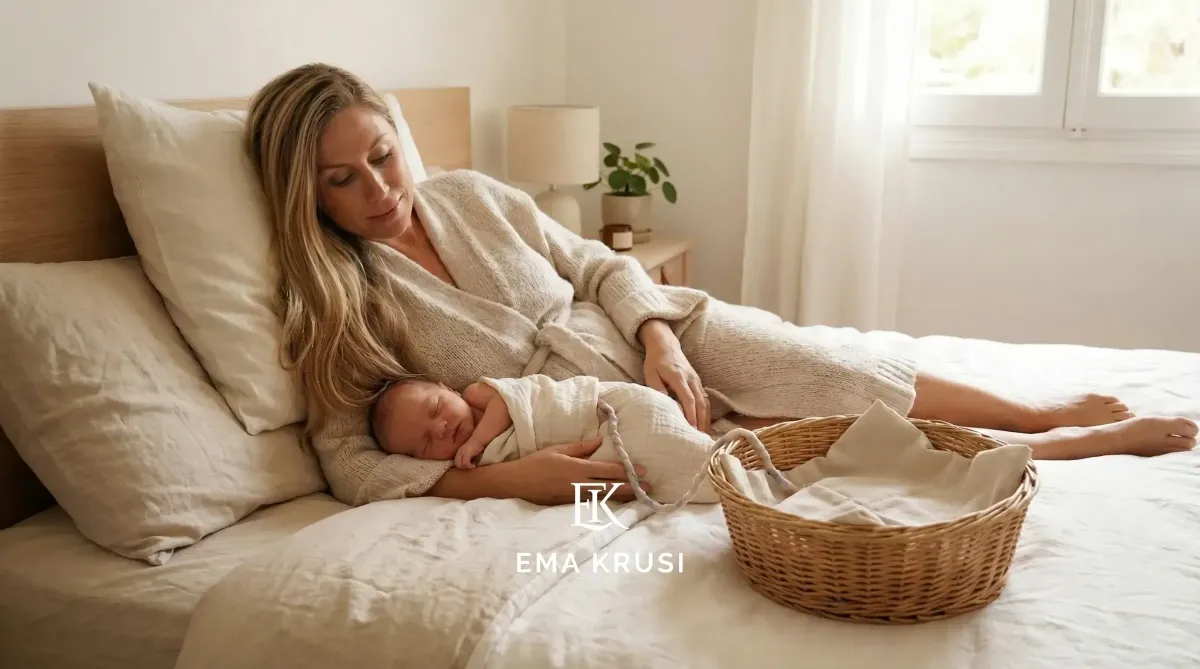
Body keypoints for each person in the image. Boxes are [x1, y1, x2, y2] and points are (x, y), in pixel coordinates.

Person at [244, 63, 1199, 508]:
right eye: (342, 179)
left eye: (381, 155)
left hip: (664, 339)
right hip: (597, 412)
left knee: (834, 369)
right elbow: (351, 461)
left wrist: (659, 334)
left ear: (398, 140)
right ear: (306, 191)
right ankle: (1070, 449)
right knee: (809, 462)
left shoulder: (475, 194)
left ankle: (1036, 413)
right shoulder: (335, 300)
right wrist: (491, 480)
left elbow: (600, 264)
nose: (379, 189)